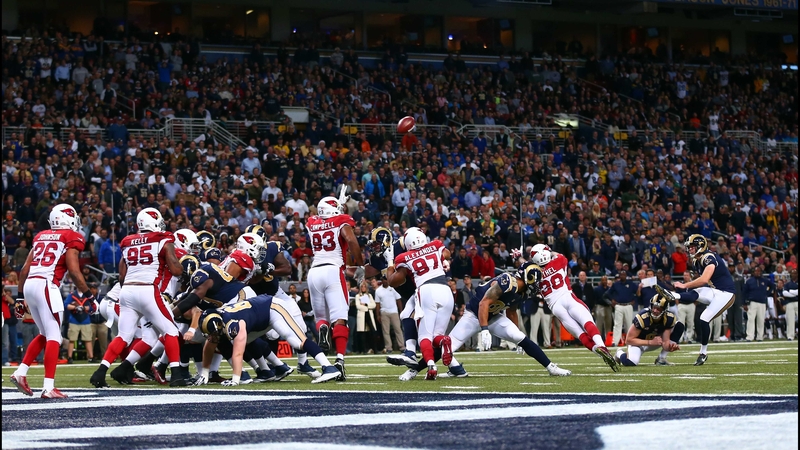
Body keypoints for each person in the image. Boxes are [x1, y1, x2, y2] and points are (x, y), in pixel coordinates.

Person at [423, 263, 570, 379]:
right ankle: (415, 369)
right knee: (447, 349)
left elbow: (512, 311)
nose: (538, 286)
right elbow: (483, 303)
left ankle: (551, 367)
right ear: (529, 279)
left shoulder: (523, 291)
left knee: (521, 338)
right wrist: (485, 329)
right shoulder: (508, 282)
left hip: (495, 316)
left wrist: (517, 334)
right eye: (536, 282)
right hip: (474, 315)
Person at [89, 208, 184, 388]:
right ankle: (177, 373)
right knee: (170, 331)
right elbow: (176, 269)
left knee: (124, 335)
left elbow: (122, 274)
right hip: (147, 289)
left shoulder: (127, 241)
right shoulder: (163, 239)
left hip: (127, 291)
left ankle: (100, 371)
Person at [11, 203, 94, 398]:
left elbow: (24, 269)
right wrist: (89, 295)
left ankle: (20, 372)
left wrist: (20, 297)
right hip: (47, 284)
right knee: (55, 336)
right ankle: (48, 387)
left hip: (30, 284)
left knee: (45, 333)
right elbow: (74, 270)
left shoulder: (41, 236)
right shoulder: (72, 236)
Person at [198, 295, 340, 385]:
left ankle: (329, 367)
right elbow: (209, 345)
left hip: (272, 308)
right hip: (257, 317)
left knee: (297, 341)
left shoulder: (231, 324)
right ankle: (266, 371)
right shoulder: (216, 319)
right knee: (226, 342)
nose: (211, 338)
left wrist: (235, 379)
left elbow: (238, 353)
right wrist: (204, 373)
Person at [529, 244, 620, 372]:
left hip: (555, 306)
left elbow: (528, 270)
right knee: (587, 322)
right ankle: (601, 345)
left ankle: (597, 350)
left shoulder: (534, 274)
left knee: (580, 334)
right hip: (567, 297)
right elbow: (554, 254)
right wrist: (548, 250)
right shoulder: (559, 260)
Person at [306, 196, 363, 380]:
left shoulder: (312, 221)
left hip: (314, 272)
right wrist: (360, 264)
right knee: (340, 319)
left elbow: (326, 219)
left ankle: (323, 330)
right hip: (333, 270)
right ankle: (339, 360)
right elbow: (352, 240)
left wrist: (338, 204)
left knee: (322, 318)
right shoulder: (341, 220)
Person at [657, 234, 737, 366]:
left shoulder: (708, 257)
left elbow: (704, 279)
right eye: (689, 247)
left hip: (726, 294)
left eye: (692, 247)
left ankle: (703, 353)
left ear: (700, 246)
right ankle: (674, 295)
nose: (690, 250)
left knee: (704, 318)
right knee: (696, 292)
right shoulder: (696, 261)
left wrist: (685, 285)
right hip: (714, 290)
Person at [387, 227, 453, 380]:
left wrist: (390, 262)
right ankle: (444, 341)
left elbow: (393, 281)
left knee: (424, 336)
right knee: (437, 335)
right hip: (445, 289)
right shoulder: (436, 245)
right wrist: (442, 260)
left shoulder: (404, 257)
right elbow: (447, 254)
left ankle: (431, 366)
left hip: (426, 290)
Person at [614, 294, 684, 366]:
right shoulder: (643, 317)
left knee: (679, 326)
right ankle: (619, 353)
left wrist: (670, 347)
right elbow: (628, 340)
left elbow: (665, 342)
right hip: (638, 343)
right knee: (631, 362)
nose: (655, 310)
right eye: (654, 307)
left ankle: (661, 358)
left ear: (664, 309)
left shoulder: (669, 318)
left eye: (659, 308)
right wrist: (650, 342)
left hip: (655, 341)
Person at [64, 286, 97, 363]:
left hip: (85, 320)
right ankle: (69, 357)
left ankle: (91, 357)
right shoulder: (72, 295)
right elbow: (66, 305)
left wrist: (84, 308)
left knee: (88, 339)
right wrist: (75, 307)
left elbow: (93, 307)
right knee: (72, 339)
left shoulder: (88, 295)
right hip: (74, 320)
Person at [606, 270, 638, 347]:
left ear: (626, 275)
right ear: (619, 276)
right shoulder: (616, 284)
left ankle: (630, 341)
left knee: (629, 324)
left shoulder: (631, 284)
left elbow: (638, 292)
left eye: (624, 274)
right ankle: (615, 342)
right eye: (621, 275)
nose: (622, 276)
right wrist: (612, 300)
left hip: (628, 305)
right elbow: (608, 293)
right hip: (619, 305)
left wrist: (634, 300)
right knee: (617, 324)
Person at [374, 277, 404, 354]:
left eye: (386, 279)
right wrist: (378, 315)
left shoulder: (393, 288)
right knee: (386, 331)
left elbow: (398, 300)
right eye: (383, 280)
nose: (385, 281)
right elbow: (377, 304)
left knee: (398, 329)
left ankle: (402, 347)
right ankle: (388, 348)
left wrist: (401, 312)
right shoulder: (378, 290)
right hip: (384, 312)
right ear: (382, 280)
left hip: (394, 311)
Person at [743, 267, 773, 342]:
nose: (757, 272)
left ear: (761, 272)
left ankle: (760, 337)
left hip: (762, 302)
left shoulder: (765, 281)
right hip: (752, 302)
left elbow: (773, 286)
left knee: (761, 320)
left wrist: (767, 294)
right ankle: (750, 336)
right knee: (751, 320)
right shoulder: (749, 281)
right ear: (753, 272)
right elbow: (744, 293)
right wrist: (744, 303)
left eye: (759, 271)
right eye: (756, 271)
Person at [354, 282, 377, 354]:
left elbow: (374, 305)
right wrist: (367, 308)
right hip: (362, 315)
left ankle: (375, 349)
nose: (363, 288)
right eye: (362, 287)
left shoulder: (369, 296)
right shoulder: (357, 296)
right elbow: (358, 306)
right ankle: (363, 350)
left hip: (369, 315)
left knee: (372, 332)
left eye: (364, 286)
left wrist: (366, 305)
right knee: (362, 333)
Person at [782, 270, 798, 341]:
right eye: (792, 273)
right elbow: (784, 293)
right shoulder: (787, 284)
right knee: (790, 320)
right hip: (790, 303)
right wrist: (795, 293)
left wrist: (791, 291)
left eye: (795, 273)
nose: (793, 275)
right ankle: (790, 336)